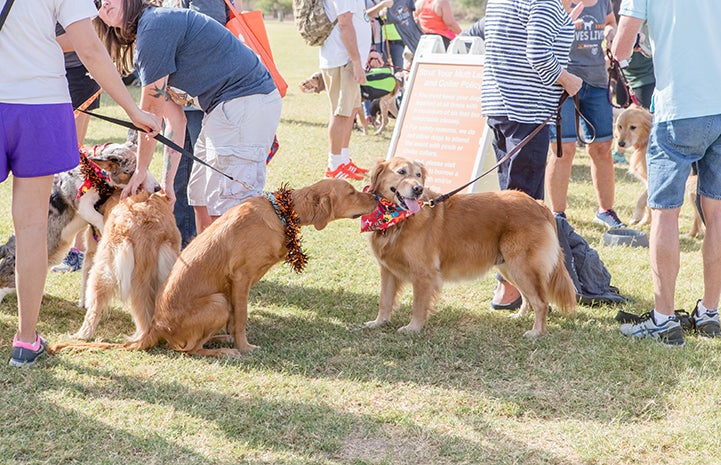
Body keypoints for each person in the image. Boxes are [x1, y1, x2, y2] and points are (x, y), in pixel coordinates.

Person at [1, 0, 161, 367]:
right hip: (40, 105)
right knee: (31, 228)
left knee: (31, 227)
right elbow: (90, 47)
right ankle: (25, 342)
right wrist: (133, 111)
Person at [95, 0, 282, 234]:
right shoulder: (149, 34)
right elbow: (175, 122)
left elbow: (150, 116)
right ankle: (209, 267)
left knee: (228, 205)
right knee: (201, 197)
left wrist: (141, 170)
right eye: (97, 3)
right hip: (221, 108)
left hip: (244, 101)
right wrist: (167, 183)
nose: (104, 4)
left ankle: (231, 269)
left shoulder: (154, 26)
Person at [613, 0, 721, 346]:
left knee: (664, 213)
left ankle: (663, 318)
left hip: (680, 107)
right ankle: (709, 313)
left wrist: (644, 39)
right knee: (716, 214)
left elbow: (620, 48)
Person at [482, 0, 582, 310]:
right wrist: (568, 80)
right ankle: (515, 290)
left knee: (509, 202)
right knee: (522, 209)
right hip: (525, 111)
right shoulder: (544, 2)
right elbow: (538, 53)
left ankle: (514, 287)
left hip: (499, 104)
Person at [545, 0, 626, 229]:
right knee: (563, 149)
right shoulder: (557, 2)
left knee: (602, 147)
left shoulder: (603, 2)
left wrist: (611, 32)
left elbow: (610, 21)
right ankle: (558, 215)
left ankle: (605, 210)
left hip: (597, 82)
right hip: (563, 82)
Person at [162, 0, 231, 247]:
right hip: (180, 98)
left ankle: (208, 250)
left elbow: (209, 32)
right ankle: (184, 247)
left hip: (201, 99)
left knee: (205, 182)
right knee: (180, 180)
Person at [52, 26, 104, 272]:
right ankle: (72, 248)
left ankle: (78, 251)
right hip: (55, 74)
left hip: (77, 74)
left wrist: (30, 35)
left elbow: (82, 36)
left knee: (72, 166)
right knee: (63, 169)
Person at [320, 0, 372, 180]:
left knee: (350, 112)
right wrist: (357, 61)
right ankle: (334, 167)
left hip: (349, 60)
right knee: (340, 113)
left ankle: (343, 160)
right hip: (343, 60)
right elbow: (345, 24)